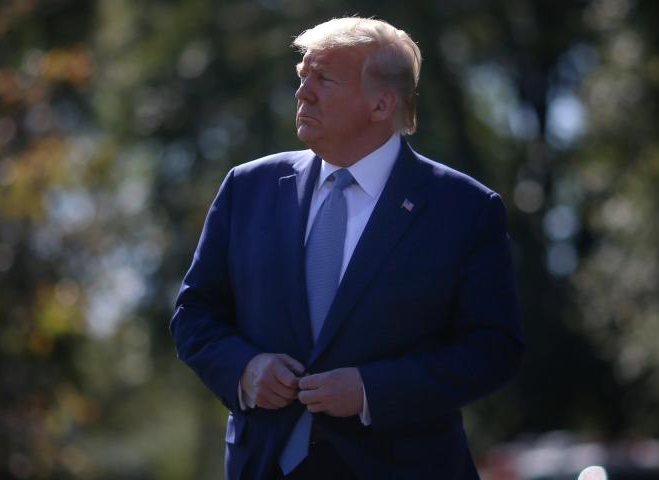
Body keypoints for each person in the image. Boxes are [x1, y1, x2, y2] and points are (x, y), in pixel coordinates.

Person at [171, 17, 523, 480]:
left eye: (324, 80)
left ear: (381, 104)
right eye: (302, 77)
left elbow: (492, 349)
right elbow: (195, 315)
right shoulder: (247, 187)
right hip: (266, 465)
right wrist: (245, 370)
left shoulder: (464, 208)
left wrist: (370, 390)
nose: (303, 93)